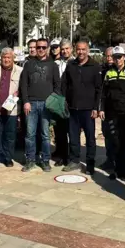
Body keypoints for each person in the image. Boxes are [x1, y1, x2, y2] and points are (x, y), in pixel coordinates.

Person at [99, 46, 125, 182]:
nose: (117, 59)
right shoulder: (109, 73)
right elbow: (104, 94)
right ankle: (117, 169)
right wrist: (102, 109)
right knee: (115, 141)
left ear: (124, 57)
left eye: (119, 57)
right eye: (115, 57)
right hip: (112, 113)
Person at [20, 37, 60, 172]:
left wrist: (52, 102)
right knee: (30, 134)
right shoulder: (29, 64)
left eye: (43, 47)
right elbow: (23, 84)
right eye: (38, 47)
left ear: (47, 48)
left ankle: (45, 160)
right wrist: (25, 101)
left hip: (46, 104)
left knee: (45, 134)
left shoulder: (53, 65)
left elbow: (57, 86)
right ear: (35, 48)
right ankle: (30, 160)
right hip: (31, 103)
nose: (41, 50)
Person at [61, 41, 101, 175]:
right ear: (75, 50)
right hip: (73, 108)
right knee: (73, 137)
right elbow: (64, 84)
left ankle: (90, 164)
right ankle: (74, 160)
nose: (81, 52)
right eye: (78, 49)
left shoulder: (95, 66)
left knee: (90, 138)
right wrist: (64, 101)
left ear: (88, 50)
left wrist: (96, 107)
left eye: (83, 49)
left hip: (88, 109)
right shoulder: (71, 65)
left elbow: (98, 89)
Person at [0, 48, 22, 168]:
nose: (6, 60)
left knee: (10, 135)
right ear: (1, 58)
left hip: (11, 109)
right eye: (4, 57)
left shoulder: (20, 71)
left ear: (13, 59)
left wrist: (19, 93)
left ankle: (8, 158)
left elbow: (23, 88)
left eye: (9, 57)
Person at [52, 38, 74, 166]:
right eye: (63, 49)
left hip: (71, 101)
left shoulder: (76, 63)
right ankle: (62, 155)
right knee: (59, 130)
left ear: (71, 49)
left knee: (71, 131)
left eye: (67, 49)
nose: (65, 51)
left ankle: (71, 156)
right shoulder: (56, 63)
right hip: (58, 100)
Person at [100, 46, 115, 170]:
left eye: (112, 56)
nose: (109, 58)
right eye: (107, 56)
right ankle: (109, 159)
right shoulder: (102, 70)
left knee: (118, 137)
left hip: (118, 110)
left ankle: (120, 162)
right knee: (107, 134)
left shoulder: (124, 70)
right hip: (106, 109)